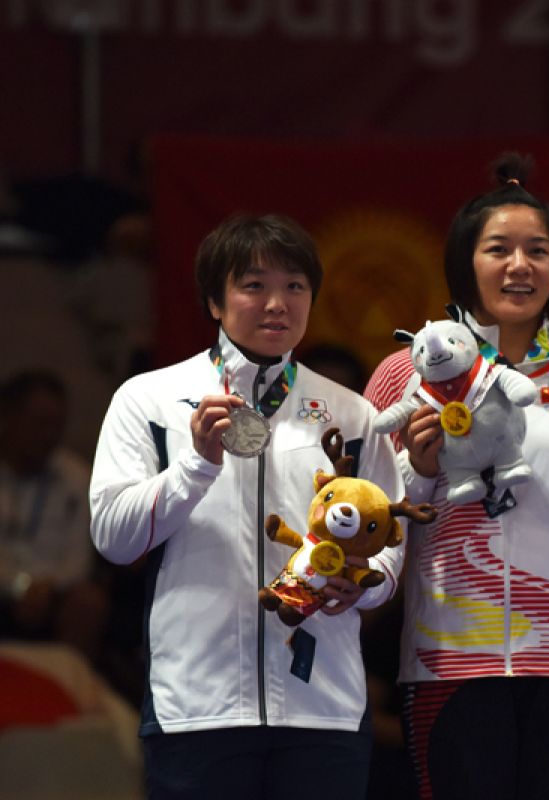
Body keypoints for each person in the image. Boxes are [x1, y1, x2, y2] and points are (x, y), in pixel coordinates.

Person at [364, 155, 549, 800]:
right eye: (499, 249)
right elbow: (370, 521)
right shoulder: (403, 375)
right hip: (450, 658)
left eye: (538, 251)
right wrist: (419, 477)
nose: (520, 266)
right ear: (465, 263)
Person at [89, 214, 406, 798]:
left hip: (324, 706)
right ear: (215, 301)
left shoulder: (351, 414)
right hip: (198, 705)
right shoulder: (149, 400)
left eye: (294, 286)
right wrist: (197, 464)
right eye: (253, 285)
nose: (277, 304)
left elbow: (389, 544)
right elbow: (114, 536)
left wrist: (365, 582)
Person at [0, 370, 101, 658]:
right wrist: (20, 587)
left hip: (53, 594)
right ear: (8, 417)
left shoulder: (76, 476)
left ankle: (68, 692)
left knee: (88, 603)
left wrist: (46, 588)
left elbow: (79, 561)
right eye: (39, 424)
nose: (49, 435)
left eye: (57, 425)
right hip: (6, 586)